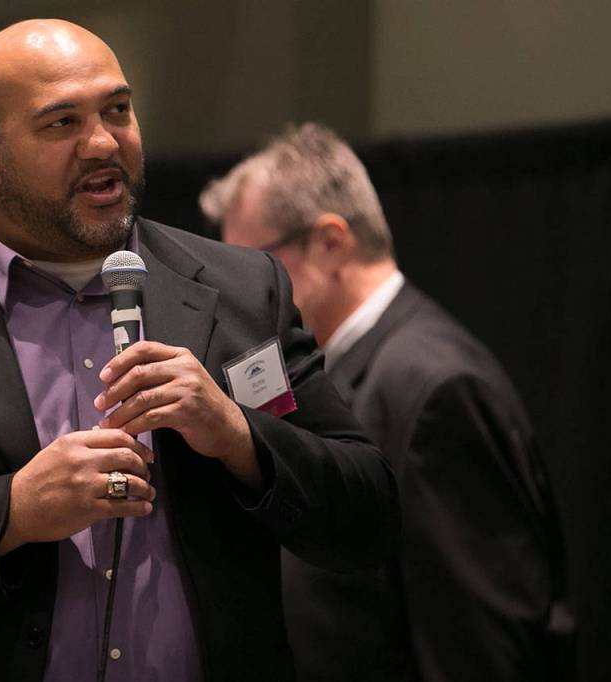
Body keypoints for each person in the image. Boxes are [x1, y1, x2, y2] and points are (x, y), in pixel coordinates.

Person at [0, 21, 398, 682]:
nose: (103, 142)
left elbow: (368, 514)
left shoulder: (242, 290)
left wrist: (238, 435)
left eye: (118, 110)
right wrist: (10, 512)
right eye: (60, 123)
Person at [201, 122, 575, 682]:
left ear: (329, 243)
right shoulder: (339, 369)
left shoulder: (434, 388)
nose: (243, 291)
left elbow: (477, 643)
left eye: (254, 266)